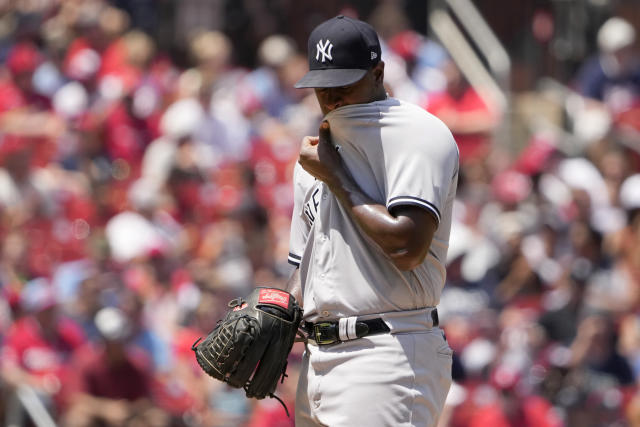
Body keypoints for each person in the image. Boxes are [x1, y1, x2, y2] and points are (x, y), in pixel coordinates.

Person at [285, 15, 459, 427]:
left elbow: (408, 246)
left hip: (389, 354)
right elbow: (304, 266)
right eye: (322, 90)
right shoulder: (317, 150)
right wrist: (280, 313)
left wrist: (336, 176)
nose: (332, 100)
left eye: (344, 86)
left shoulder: (416, 132)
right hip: (320, 361)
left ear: (378, 72)